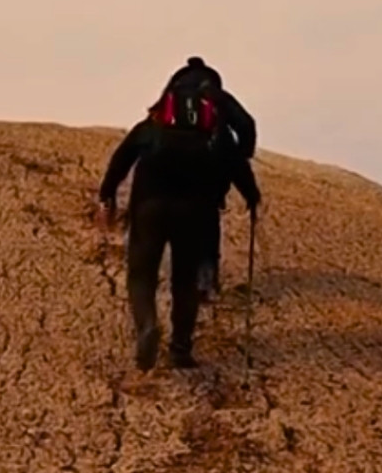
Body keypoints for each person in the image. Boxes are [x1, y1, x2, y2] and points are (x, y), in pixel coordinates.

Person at [97, 93, 260, 372]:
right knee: (184, 281)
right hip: (194, 214)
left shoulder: (150, 128)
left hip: (149, 210)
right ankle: (180, 349)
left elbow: (121, 159)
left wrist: (107, 194)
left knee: (141, 274)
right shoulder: (213, 135)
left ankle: (147, 326)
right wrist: (252, 197)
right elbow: (238, 167)